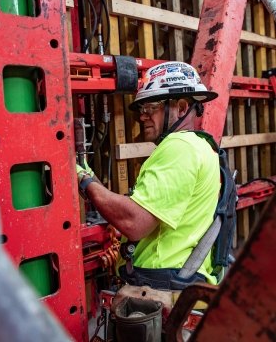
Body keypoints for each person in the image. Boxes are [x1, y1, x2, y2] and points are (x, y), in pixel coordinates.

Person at [77, 61, 221, 290]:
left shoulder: (180, 147)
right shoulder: (202, 147)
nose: (142, 117)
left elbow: (136, 223)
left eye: (150, 108)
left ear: (182, 108)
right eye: (141, 110)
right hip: (180, 281)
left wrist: (85, 181)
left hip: (163, 287)